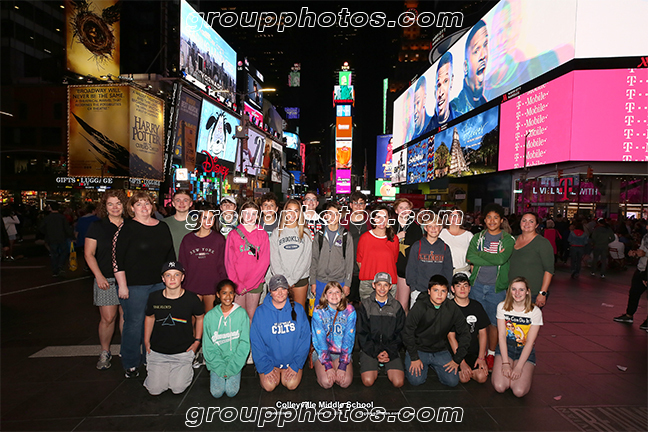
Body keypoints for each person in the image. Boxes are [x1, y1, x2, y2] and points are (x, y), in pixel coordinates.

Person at [114, 191, 176, 378]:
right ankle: (131, 362)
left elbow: (170, 255)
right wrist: (122, 285)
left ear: (152, 206)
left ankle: (152, 358)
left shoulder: (162, 226)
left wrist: (172, 280)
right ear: (132, 208)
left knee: (157, 323)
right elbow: (117, 259)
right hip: (135, 285)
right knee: (134, 324)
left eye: (147, 203)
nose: (144, 207)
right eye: (139, 204)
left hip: (159, 284)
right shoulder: (127, 228)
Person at [466, 203, 515, 371]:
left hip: (496, 288)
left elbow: (502, 260)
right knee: (476, 322)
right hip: (477, 286)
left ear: (501, 220)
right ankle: (478, 352)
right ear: (484, 220)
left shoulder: (508, 239)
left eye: (496, 218)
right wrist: (491, 257)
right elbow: (469, 257)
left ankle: (491, 354)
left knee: (494, 323)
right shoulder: (477, 237)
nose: (492, 221)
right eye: (489, 217)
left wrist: (480, 255)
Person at [143, 261, 204, 395]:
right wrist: (146, 341)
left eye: (176, 275)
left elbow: (200, 318)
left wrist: (197, 342)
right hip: (158, 353)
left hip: (182, 353)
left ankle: (182, 370)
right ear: (163, 278)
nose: (172, 278)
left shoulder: (192, 298)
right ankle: (161, 372)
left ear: (182, 277)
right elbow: (150, 317)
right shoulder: (154, 297)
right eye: (168, 275)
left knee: (177, 388)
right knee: (155, 390)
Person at [402, 275, 471, 387]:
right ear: (429, 291)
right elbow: (407, 332)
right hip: (419, 349)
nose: (439, 294)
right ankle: (420, 363)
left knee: (452, 381)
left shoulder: (452, 308)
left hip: (440, 350)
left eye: (443, 291)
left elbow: (465, 333)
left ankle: (435, 366)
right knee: (416, 380)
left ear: (447, 293)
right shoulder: (420, 306)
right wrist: (414, 357)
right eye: (436, 290)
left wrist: (457, 360)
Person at [85, 191, 126, 370]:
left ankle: (126, 349)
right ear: (105, 206)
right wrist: (98, 276)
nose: (115, 207)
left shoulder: (130, 225)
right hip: (106, 278)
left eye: (118, 203)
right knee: (108, 318)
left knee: (127, 317)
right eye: (110, 204)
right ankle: (105, 351)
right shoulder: (97, 226)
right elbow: (89, 254)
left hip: (129, 278)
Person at [250, 274, 311, 391]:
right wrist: (266, 367)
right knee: (269, 386)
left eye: (283, 288)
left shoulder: (298, 309)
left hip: (291, 361)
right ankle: (271, 370)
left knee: (291, 384)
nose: (280, 293)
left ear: (288, 290)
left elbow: (305, 339)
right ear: (270, 291)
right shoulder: (260, 312)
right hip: (270, 362)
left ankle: (290, 369)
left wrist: (295, 365)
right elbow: (256, 342)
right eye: (276, 289)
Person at [492, 277, 543, 398]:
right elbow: (501, 337)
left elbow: (530, 342)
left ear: (527, 292)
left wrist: (519, 367)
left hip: (524, 350)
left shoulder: (535, 311)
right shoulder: (502, 307)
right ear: (509, 291)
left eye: (521, 289)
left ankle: (521, 367)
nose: (517, 293)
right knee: (500, 387)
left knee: (519, 391)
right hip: (506, 348)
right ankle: (510, 364)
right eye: (514, 289)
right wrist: (505, 363)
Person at [356, 272, 406, 388]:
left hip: (390, 349)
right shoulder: (365, 305)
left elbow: (401, 333)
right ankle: (371, 363)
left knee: (398, 382)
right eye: (379, 284)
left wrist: (389, 351)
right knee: (368, 381)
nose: (382, 288)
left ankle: (385, 364)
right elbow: (362, 333)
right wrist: (376, 352)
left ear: (390, 287)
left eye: (385, 285)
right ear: (373, 285)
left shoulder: (396, 306)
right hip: (371, 349)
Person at [203, 279, 250, 398]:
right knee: (216, 393)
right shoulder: (209, 316)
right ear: (218, 295)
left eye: (231, 293)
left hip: (234, 361)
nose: (228, 296)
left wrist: (232, 367)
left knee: (231, 392)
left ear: (234, 294)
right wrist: (219, 368)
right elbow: (208, 346)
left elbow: (244, 343)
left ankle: (234, 372)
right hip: (216, 362)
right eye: (224, 293)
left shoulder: (241, 314)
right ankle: (216, 372)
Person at [224, 201, 270, 323]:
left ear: (258, 216)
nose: (250, 217)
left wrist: (250, 283)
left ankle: (250, 336)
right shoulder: (233, 234)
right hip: (238, 282)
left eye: (254, 214)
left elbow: (264, 262)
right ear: (241, 215)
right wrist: (237, 284)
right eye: (247, 213)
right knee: (239, 317)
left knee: (251, 315)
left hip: (255, 282)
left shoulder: (263, 234)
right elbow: (229, 262)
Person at [179, 204, 227, 315]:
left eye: (211, 218)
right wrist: (182, 284)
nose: (208, 221)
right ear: (199, 218)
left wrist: (222, 285)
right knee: (192, 318)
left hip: (212, 285)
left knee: (209, 318)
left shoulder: (219, 239)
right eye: (205, 218)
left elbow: (222, 264)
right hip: (191, 284)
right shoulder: (187, 239)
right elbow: (182, 263)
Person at [268, 199, 312, 309]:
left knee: (299, 312)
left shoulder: (305, 232)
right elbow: (274, 259)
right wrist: (284, 280)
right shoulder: (277, 232)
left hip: (300, 279)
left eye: (296, 211)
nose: (292, 213)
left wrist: (292, 280)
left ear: (300, 213)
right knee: (282, 312)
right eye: (289, 210)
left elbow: (306, 260)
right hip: (281, 280)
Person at [311, 281, 356, 389]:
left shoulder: (350, 310)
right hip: (322, 352)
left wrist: (343, 365)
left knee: (345, 382)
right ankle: (321, 371)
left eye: (337, 292)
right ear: (325, 295)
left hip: (341, 352)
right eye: (330, 292)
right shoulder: (318, 311)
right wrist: (327, 365)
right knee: (327, 382)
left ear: (342, 295)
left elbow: (349, 339)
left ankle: (337, 367)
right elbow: (319, 340)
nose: (334, 295)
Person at [405, 212, 453, 308]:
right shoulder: (417, 246)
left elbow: (448, 270)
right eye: (430, 226)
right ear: (425, 228)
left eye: (436, 226)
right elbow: (411, 268)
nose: (433, 229)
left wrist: (445, 289)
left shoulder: (444, 248)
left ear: (440, 228)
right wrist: (413, 288)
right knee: (418, 316)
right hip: (419, 290)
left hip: (438, 292)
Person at [448, 273, 489, 384]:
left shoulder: (477, 306)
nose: (462, 289)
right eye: (458, 286)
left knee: (482, 377)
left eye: (465, 285)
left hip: (472, 351)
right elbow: (451, 337)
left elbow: (483, 333)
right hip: (454, 352)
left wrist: (481, 358)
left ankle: (470, 371)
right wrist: (461, 362)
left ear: (469, 288)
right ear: (452, 289)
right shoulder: (448, 307)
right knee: (463, 378)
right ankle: (465, 371)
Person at [508, 212, 554, 308]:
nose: (527, 224)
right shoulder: (512, 240)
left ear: (536, 225)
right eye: (524, 220)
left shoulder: (542, 243)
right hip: (512, 292)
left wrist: (542, 293)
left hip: (532, 293)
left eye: (531, 221)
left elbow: (549, 270)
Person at [311, 202, 354, 302]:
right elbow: (314, 260)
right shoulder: (319, 235)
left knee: (337, 309)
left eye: (336, 214)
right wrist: (313, 282)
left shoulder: (346, 236)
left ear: (340, 216)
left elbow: (349, 262)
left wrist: (347, 284)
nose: (333, 217)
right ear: (326, 215)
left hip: (339, 281)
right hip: (320, 281)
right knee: (320, 309)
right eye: (330, 214)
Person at [356, 204, 399, 300]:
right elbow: (359, 261)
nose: (382, 220)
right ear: (373, 219)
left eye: (385, 217)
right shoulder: (365, 238)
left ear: (388, 219)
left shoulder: (394, 239)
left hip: (388, 284)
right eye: (378, 217)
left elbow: (394, 260)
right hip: (368, 283)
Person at [450, 20, 489, 116]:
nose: (483, 55)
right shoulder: (454, 109)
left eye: (485, 45)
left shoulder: (487, 106)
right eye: (476, 50)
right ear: (465, 67)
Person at [613, 232, 648, 331]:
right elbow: (642, 249)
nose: (646, 227)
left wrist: (645, 254)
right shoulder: (646, 236)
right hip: (642, 268)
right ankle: (629, 315)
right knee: (634, 293)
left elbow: (645, 252)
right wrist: (636, 253)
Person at [393, 198, 423, 313]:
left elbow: (418, 250)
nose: (404, 210)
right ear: (396, 210)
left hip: (406, 270)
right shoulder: (390, 226)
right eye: (401, 208)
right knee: (392, 302)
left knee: (403, 304)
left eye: (407, 208)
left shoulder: (415, 227)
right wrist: (397, 238)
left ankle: (404, 324)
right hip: (390, 268)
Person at [342, 191, 370, 303]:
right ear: (351, 205)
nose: (358, 206)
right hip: (348, 267)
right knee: (347, 301)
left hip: (366, 265)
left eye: (361, 203)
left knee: (365, 301)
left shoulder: (371, 221)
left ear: (365, 205)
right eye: (355, 203)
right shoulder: (343, 222)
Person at [39, 202, 74, 277]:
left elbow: (41, 228)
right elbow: (67, 228)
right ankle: (60, 265)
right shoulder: (62, 217)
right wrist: (71, 236)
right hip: (62, 237)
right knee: (64, 252)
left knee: (54, 254)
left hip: (51, 238)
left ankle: (55, 270)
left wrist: (47, 233)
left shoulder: (47, 218)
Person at [439, 206, 474, 276]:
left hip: (463, 274)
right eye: (452, 215)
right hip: (444, 274)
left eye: (457, 215)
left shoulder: (468, 236)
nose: (454, 218)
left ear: (461, 218)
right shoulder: (440, 234)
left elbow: (473, 259)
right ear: (448, 218)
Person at [164, 190, 194, 257]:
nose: (181, 203)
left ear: (190, 204)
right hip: (170, 262)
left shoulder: (198, 224)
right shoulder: (164, 224)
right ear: (173, 203)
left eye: (185, 200)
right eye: (178, 200)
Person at [430, 52, 456, 129]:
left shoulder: (462, 121)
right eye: (438, 85)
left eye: (445, 81)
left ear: (451, 82)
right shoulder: (427, 131)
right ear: (434, 90)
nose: (441, 93)